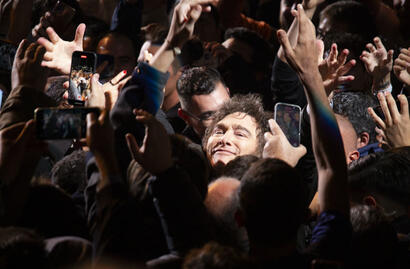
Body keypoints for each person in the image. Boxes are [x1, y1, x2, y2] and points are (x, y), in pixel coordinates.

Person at [176, 66, 230, 144]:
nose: (223, 120)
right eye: (209, 115)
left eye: (226, 107)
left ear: (228, 93)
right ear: (185, 117)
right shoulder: (183, 153)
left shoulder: (251, 128)